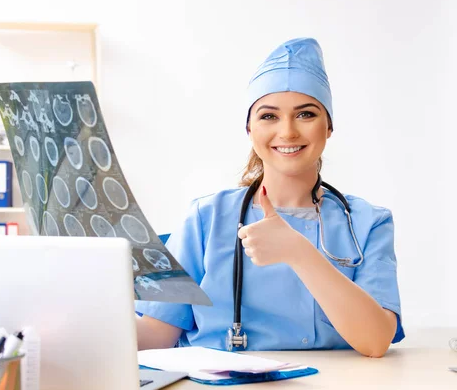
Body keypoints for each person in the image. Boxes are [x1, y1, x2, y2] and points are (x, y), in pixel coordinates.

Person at [135, 37, 404, 358]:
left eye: (306, 114)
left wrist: (298, 252)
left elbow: (375, 342)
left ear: (328, 126)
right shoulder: (206, 217)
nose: (288, 131)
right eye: (268, 116)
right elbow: (156, 335)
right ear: (249, 128)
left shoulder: (368, 222)